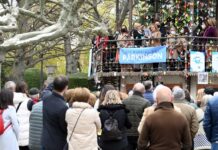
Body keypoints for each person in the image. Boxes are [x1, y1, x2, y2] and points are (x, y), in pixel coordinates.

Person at [138, 86, 192, 150]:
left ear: (157, 100)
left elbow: (141, 144)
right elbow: (188, 145)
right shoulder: (181, 118)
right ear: (172, 99)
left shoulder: (150, 118)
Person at [42, 76, 69, 150]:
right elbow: (65, 128)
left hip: (45, 141)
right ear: (66, 88)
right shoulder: (63, 107)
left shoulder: (45, 98)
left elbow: (47, 90)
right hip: (57, 144)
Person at [123, 83, 150, 150]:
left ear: (133, 90)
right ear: (144, 91)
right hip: (140, 133)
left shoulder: (124, 102)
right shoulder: (146, 102)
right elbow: (148, 119)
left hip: (127, 133)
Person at [16, 81, 31, 150]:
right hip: (26, 137)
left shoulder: (10, 100)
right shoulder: (29, 101)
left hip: (15, 136)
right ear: (25, 89)